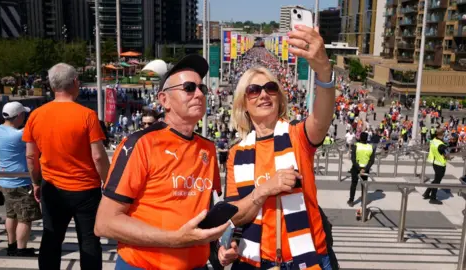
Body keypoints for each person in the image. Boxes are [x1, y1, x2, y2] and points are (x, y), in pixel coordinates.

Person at [94, 54, 230, 270]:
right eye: (188, 87)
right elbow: (105, 223)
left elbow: (203, 209)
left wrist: (218, 245)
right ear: (164, 100)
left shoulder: (208, 148)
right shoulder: (140, 144)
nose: (198, 94)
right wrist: (175, 239)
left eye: (201, 89)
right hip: (144, 265)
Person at [219, 24, 336, 270]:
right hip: (255, 261)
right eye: (254, 90)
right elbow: (236, 215)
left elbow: (322, 119)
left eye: (270, 88)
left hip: (306, 258)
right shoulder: (236, 154)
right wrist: (265, 189)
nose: (264, 95)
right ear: (244, 104)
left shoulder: (297, 136)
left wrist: (324, 70)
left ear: (279, 97)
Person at [23, 63, 110, 269]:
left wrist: (36, 182)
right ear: (75, 83)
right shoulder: (87, 115)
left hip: (52, 188)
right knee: (89, 241)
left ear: (52, 86)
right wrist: (107, 181)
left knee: (51, 239)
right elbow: (98, 157)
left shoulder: (36, 115)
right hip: (86, 190)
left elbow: (30, 156)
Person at [0, 102, 41, 256]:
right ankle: (21, 249)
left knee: (11, 215)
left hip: (4, 181)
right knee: (25, 218)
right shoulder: (19, 135)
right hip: (21, 183)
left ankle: (11, 245)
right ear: (19, 116)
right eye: (24, 115)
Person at [347, 132, 375, 208]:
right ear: (367, 139)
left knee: (354, 184)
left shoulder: (356, 146)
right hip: (365, 169)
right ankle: (363, 201)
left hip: (356, 168)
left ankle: (351, 201)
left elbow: (353, 159)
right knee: (364, 186)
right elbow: (372, 160)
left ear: (360, 138)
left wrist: (359, 168)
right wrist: (365, 169)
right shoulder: (370, 147)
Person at [423, 128, 448, 205]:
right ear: (442, 135)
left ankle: (427, 193)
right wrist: (449, 156)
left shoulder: (433, 141)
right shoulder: (441, 145)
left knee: (436, 180)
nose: (444, 135)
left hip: (434, 162)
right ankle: (433, 198)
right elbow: (446, 155)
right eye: (444, 134)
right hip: (440, 164)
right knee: (437, 181)